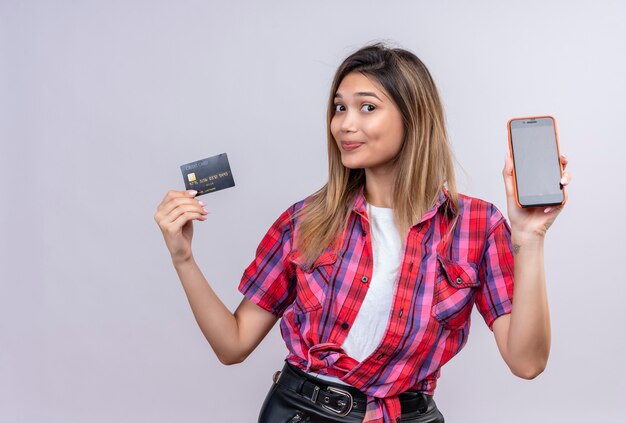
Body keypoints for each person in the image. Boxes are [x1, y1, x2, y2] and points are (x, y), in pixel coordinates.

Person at [154, 42, 571, 423]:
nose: (344, 125)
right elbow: (233, 345)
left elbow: (527, 363)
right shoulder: (306, 220)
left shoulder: (477, 226)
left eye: (367, 108)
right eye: (339, 108)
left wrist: (531, 238)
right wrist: (182, 258)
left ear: (413, 118)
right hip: (300, 414)